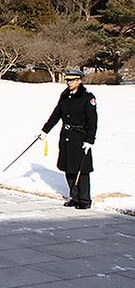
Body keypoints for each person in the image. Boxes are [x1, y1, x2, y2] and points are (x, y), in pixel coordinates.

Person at [38, 68, 98, 209]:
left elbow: (93, 121)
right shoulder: (65, 95)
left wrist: (90, 140)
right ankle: (74, 197)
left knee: (81, 169)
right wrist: (45, 130)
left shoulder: (87, 97)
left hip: (80, 137)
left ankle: (84, 200)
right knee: (68, 167)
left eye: (71, 80)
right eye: (67, 80)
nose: (68, 83)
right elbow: (56, 114)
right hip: (66, 136)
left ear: (79, 80)